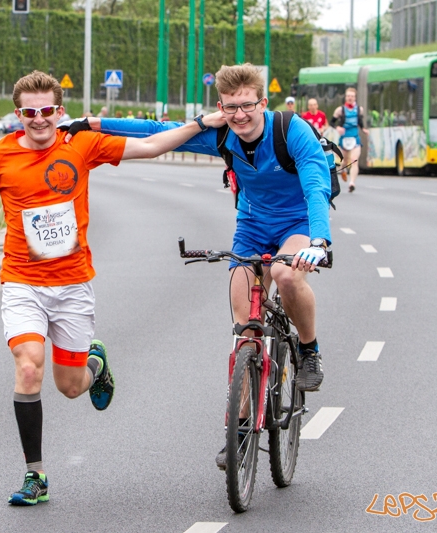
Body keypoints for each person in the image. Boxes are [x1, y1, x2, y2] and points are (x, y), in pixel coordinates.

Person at [0, 70, 224, 506]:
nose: (40, 120)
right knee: (29, 367)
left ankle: (96, 366)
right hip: (22, 281)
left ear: (59, 110)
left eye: (47, 111)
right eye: (30, 113)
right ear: (18, 114)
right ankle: (36, 476)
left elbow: (151, 145)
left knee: (69, 385)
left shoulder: (80, 144)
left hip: (72, 285)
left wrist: (201, 123)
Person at [68, 63, 331, 470]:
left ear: (262, 102)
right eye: (230, 108)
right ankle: (241, 431)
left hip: (297, 224)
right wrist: (89, 123)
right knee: (246, 332)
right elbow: (155, 131)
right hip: (252, 227)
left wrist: (319, 240)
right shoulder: (222, 134)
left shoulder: (289, 130)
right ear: (220, 107)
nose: (239, 116)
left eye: (247, 106)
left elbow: (315, 183)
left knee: (284, 274)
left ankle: (309, 351)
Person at [331, 87, 368, 193]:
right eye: (348, 96)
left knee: (354, 160)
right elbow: (332, 122)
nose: (350, 98)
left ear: (355, 97)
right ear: (345, 97)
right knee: (345, 161)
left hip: (355, 138)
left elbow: (360, 121)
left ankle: (352, 182)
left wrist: (363, 129)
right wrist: (338, 128)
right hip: (344, 139)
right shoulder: (340, 110)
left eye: (352, 96)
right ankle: (343, 169)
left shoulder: (359, 109)